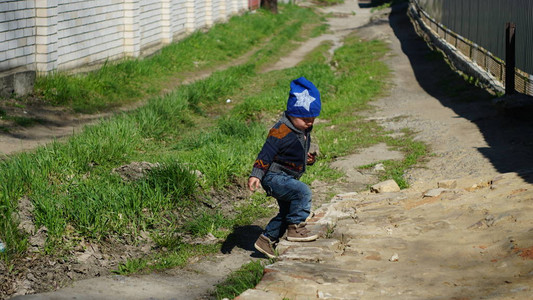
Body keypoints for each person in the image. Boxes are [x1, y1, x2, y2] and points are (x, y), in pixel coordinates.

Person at [248, 76, 321, 259]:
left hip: (286, 177)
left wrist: (308, 159)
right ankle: (296, 228)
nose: (309, 122)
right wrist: (256, 174)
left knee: (288, 211)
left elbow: (294, 153)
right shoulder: (280, 130)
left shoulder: (302, 130)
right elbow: (266, 153)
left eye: (312, 117)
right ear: (292, 113)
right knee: (303, 192)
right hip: (273, 176)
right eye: (305, 118)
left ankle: (266, 239)